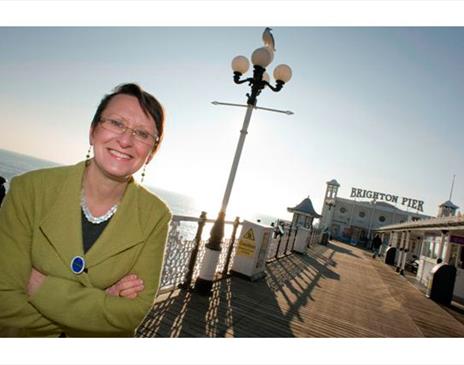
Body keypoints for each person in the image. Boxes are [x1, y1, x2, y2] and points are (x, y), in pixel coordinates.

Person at [0, 83, 171, 337]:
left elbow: (131, 314)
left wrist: (40, 288)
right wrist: (100, 303)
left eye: (142, 134)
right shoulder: (29, 190)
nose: (125, 140)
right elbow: (5, 301)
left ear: (151, 153)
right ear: (92, 131)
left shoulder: (155, 216)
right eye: (116, 123)